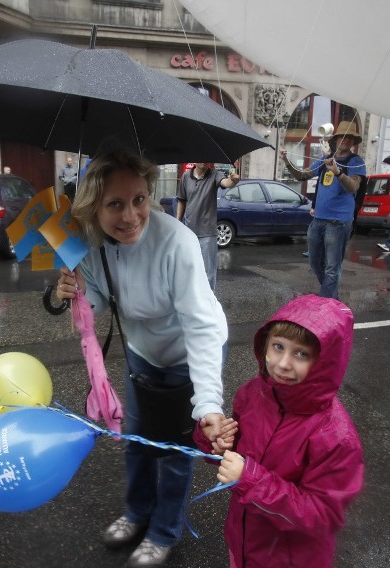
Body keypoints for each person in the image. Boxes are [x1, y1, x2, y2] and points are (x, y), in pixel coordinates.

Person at [55, 148, 228, 567]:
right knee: (136, 443)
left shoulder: (177, 242)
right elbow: (98, 301)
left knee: (173, 454)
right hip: (140, 356)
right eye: (115, 204)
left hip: (187, 358)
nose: (131, 216)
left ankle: (164, 530)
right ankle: (137, 514)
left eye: (139, 199)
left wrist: (207, 402)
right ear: (93, 206)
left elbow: (202, 326)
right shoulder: (88, 243)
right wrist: (74, 293)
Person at [195, 294, 364, 568]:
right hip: (243, 543)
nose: (283, 363)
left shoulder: (335, 437)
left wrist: (250, 480)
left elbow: (323, 517)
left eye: (301, 354)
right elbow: (235, 459)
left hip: (289, 559)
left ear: (325, 362)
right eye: (277, 346)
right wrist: (215, 441)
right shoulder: (253, 394)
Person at [280, 120, 367, 299]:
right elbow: (302, 175)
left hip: (339, 222)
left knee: (332, 267)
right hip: (318, 219)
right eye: (343, 137)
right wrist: (287, 162)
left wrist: (338, 172)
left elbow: (353, 187)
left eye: (350, 138)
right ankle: (332, 298)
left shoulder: (356, 161)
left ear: (353, 142)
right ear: (336, 139)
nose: (346, 140)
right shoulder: (325, 159)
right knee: (314, 262)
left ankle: (326, 304)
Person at [175, 163, 239, 291]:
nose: (203, 161)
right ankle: (192, 299)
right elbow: (182, 200)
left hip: (207, 233)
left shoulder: (214, 174)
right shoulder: (186, 176)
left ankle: (209, 303)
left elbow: (226, 183)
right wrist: (177, 223)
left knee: (208, 272)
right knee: (189, 269)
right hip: (189, 232)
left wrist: (233, 181)